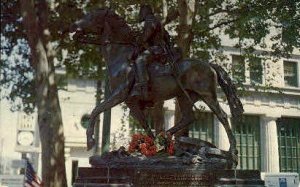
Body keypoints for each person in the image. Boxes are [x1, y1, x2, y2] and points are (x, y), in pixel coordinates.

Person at [132, 4, 172, 99]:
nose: (139, 14)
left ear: (145, 12)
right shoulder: (154, 20)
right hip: (157, 48)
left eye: (141, 12)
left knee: (139, 60)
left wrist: (138, 40)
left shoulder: (150, 20)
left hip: (156, 49)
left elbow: (146, 36)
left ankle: (143, 88)